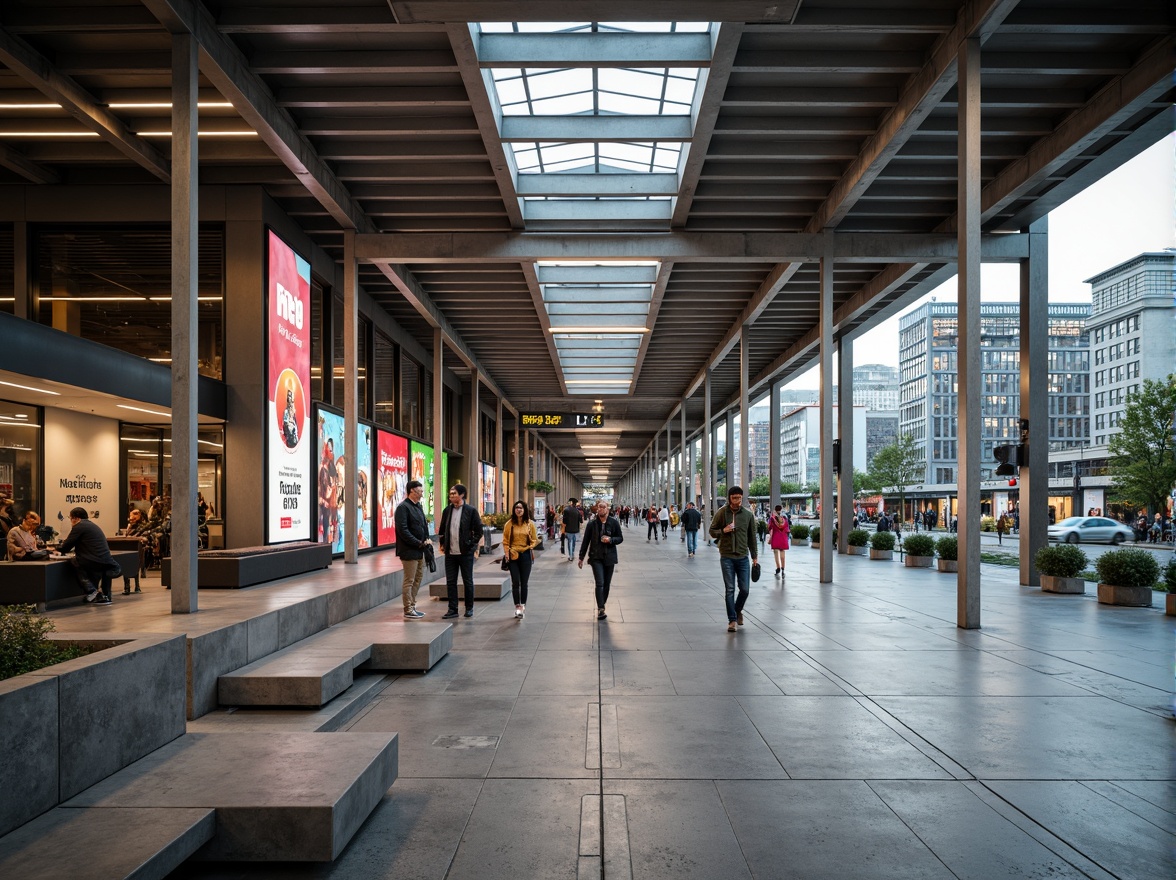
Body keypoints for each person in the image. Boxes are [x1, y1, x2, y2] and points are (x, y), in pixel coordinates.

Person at [709, 486, 758, 633]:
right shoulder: (722, 513)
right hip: (727, 556)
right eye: (734, 498)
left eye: (739, 498)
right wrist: (723, 531)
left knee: (745, 590)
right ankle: (732, 620)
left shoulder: (748, 515)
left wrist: (754, 556)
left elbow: (752, 538)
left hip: (743, 557)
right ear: (729, 498)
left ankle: (737, 610)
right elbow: (712, 531)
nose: (737, 500)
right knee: (729, 589)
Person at [56, 506, 118, 605]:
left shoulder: (79, 526)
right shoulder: (92, 525)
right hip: (106, 560)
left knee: (74, 561)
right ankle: (104, 595)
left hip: (93, 561)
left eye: (70, 518)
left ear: (75, 518)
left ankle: (92, 591)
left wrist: (54, 549)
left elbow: (66, 546)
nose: (71, 521)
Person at [438, 484, 483, 619]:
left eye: (454, 493)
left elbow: (479, 530)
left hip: (465, 553)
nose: (451, 496)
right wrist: (443, 544)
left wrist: (471, 545)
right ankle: (453, 609)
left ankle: (469, 608)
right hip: (450, 553)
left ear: (462, 495)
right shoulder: (447, 511)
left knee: (467, 580)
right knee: (450, 581)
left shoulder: (471, 510)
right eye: (450, 494)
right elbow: (442, 531)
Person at [578, 499, 624, 620]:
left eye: (603, 507)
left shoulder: (614, 523)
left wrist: (610, 540)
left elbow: (620, 538)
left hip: (610, 557)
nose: (601, 509)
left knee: (607, 584)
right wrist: (581, 557)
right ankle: (601, 609)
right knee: (600, 583)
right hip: (596, 557)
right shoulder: (592, 524)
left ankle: (602, 603)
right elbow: (586, 541)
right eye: (599, 507)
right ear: (597, 509)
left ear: (607, 509)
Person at [394, 479, 430, 619]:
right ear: (412, 491)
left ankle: (413, 605)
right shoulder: (403, 508)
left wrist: (425, 541)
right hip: (409, 550)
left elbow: (423, 526)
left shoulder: (418, 506)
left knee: (418, 578)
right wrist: (417, 542)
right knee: (409, 580)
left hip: (420, 549)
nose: (422, 494)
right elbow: (403, 530)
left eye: (422, 491)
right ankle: (408, 608)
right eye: (420, 491)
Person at [503, 500, 539, 619]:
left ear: (524, 510)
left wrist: (530, 547)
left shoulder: (530, 524)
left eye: (521, 508)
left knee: (524, 582)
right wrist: (507, 553)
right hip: (513, 555)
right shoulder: (509, 524)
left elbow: (535, 539)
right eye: (516, 508)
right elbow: (505, 541)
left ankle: (523, 605)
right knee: (515, 582)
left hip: (526, 554)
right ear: (514, 510)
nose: (518, 510)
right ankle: (517, 606)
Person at [768, 505, 791, 577]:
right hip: (783, 537)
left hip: (776, 537)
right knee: (782, 552)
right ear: (781, 509)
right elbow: (787, 527)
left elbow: (769, 527)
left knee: (775, 552)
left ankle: (778, 568)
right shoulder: (784, 518)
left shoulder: (772, 518)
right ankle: (783, 569)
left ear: (775, 509)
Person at [562, 497, 583, 562]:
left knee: (569, 542)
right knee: (573, 542)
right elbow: (581, 521)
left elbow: (564, 521)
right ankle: (572, 554)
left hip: (568, 529)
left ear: (570, 503)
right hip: (575, 530)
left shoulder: (566, 510)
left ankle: (570, 555)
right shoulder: (577, 511)